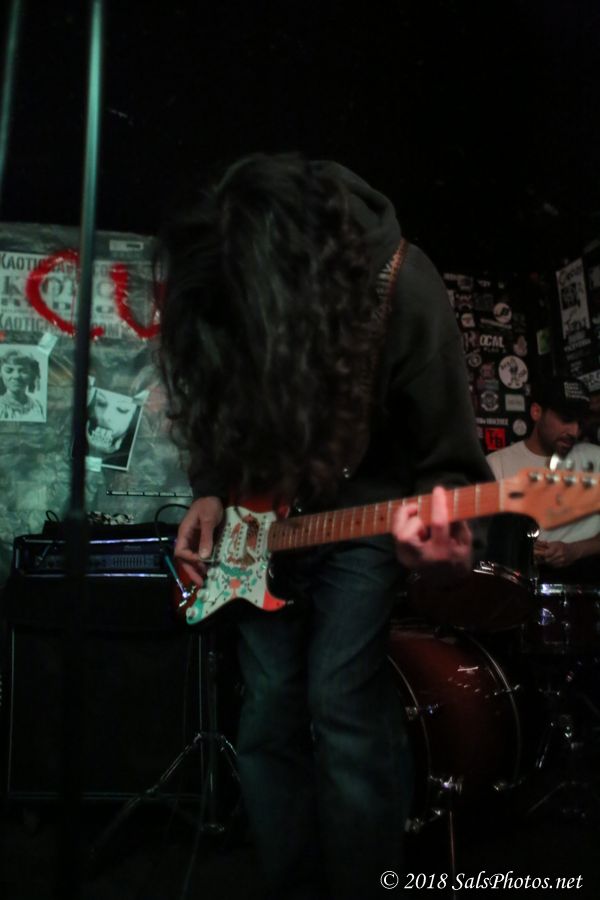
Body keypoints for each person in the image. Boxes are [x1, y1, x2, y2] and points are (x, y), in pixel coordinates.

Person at [157, 152, 492, 900]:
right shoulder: (226, 276)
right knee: (267, 713)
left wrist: (445, 535)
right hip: (254, 523)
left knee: (341, 702)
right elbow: (221, 414)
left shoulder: (402, 284)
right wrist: (209, 493)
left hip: (360, 513)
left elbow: (448, 461)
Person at [487, 374, 600, 580]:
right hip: (519, 586)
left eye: (580, 422)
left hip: (586, 583)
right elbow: (481, 541)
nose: (574, 431)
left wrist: (575, 550)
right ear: (537, 412)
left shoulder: (596, 459)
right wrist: (520, 550)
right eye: (566, 419)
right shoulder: (497, 465)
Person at [0, 348, 45, 422]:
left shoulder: (38, 407)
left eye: (23, 371)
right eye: (9, 370)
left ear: (31, 374)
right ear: (0, 373)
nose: (16, 376)